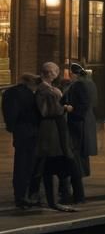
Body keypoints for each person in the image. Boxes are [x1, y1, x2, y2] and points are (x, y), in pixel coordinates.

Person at [34, 62, 81, 212]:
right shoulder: (44, 89)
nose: (55, 74)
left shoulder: (47, 88)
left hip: (54, 129)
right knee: (49, 165)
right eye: (55, 72)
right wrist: (65, 108)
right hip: (50, 131)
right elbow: (47, 110)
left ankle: (47, 198)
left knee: (49, 165)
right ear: (51, 73)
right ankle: (49, 199)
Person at [2, 73, 42, 209]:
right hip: (30, 132)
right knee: (27, 165)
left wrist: (12, 127)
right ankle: (24, 196)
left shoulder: (10, 93)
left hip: (20, 132)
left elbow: (9, 113)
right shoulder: (29, 94)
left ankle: (20, 195)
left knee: (21, 164)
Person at [65, 62, 98, 200]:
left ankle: (77, 194)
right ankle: (77, 193)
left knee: (75, 158)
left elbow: (83, 105)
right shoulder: (89, 83)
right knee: (79, 158)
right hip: (85, 124)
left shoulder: (78, 84)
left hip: (78, 125)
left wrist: (71, 109)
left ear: (72, 73)